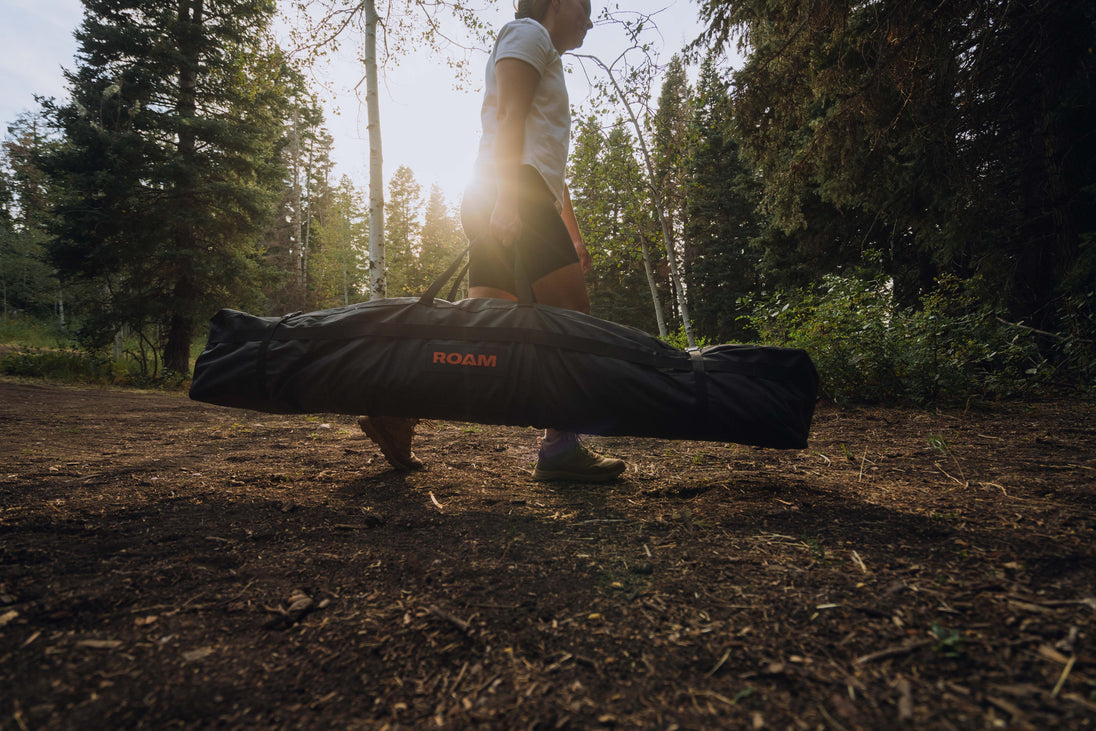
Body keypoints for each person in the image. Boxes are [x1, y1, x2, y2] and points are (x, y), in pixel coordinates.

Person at [360, 0, 626, 482]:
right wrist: (507, 199)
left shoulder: (539, 48)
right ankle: (560, 448)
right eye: (585, 6)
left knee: (481, 339)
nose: (590, 19)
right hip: (514, 195)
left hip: (513, 194)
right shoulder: (528, 33)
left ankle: (395, 409)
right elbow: (508, 114)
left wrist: (572, 232)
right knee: (570, 321)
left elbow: (547, 163)